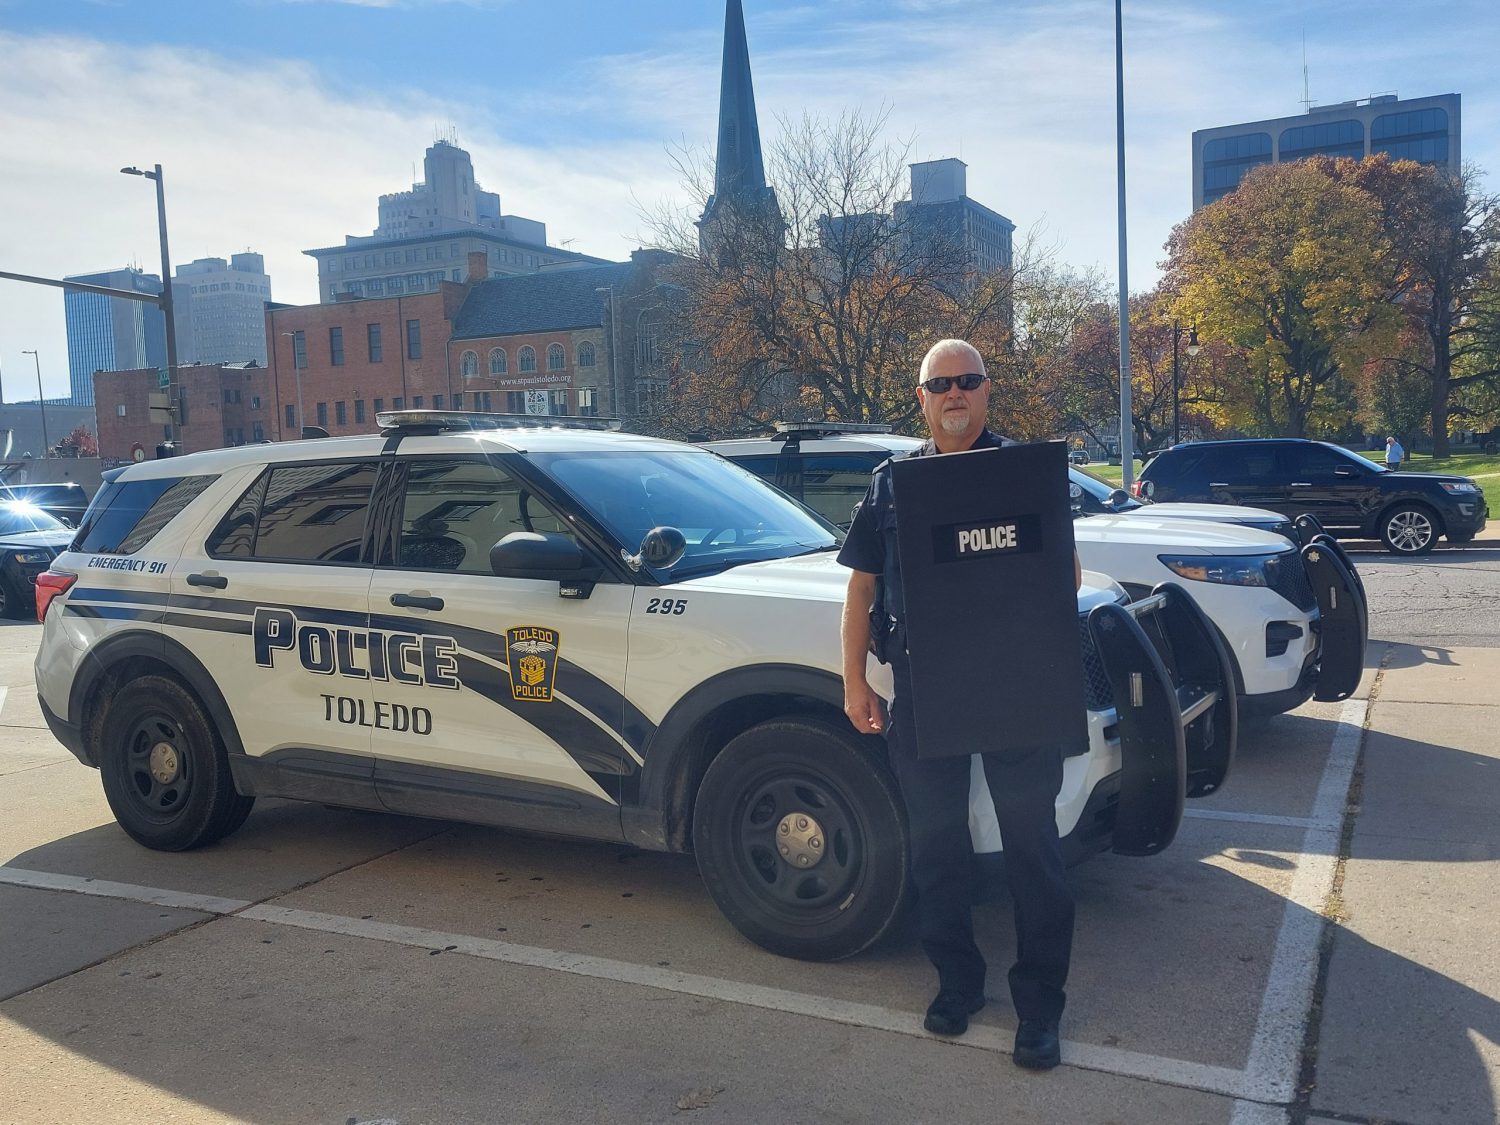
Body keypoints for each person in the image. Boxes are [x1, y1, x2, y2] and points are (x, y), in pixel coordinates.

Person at [838, 338, 1080, 1071]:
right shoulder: (891, 486)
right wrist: (853, 680)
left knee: (1032, 851)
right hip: (924, 688)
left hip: (1018, 688)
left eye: (967, 381)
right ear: (922, 397)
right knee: (938, 848)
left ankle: (1039, 1007)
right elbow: (861, 588)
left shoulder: (1025, 474)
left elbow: (1064, 577)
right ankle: (957, 983)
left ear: (986, 391)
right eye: (940, 383)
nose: (954, 394)